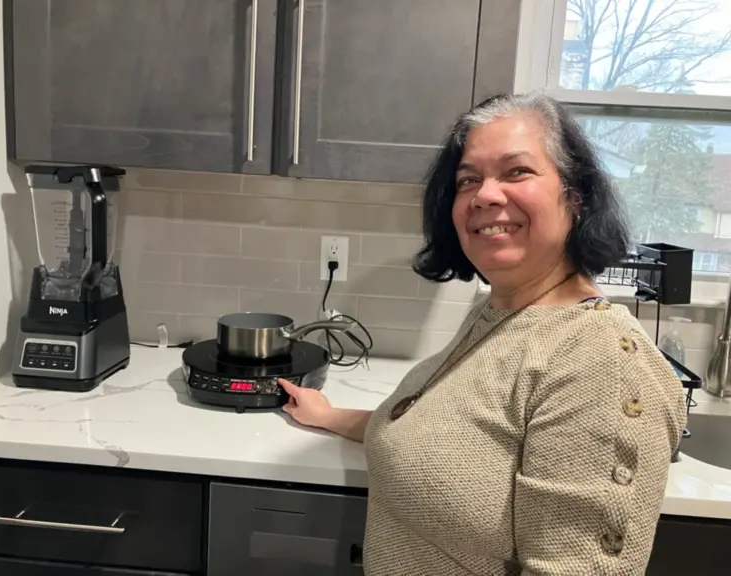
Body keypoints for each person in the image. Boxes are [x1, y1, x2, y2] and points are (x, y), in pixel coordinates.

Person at [278, 93, 686, 575]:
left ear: (576, 197)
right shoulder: (500, 314)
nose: (485, 195)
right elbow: (448, 437)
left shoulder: (600, 362)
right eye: (468, 179)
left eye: (517, 172)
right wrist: (331, 415)